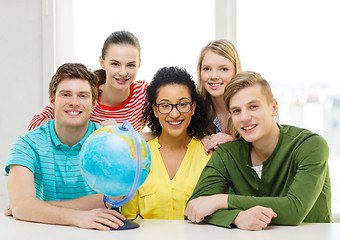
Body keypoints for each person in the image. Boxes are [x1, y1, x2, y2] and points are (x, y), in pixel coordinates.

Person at [185, 71, 332, 230]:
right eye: (236, 111)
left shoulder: (310, 145)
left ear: (274, 107)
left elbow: (294, 209)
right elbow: (194, 208)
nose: (244, 117)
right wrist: (236, 217)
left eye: (253, 106)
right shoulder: (227, 154)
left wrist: (221, 200)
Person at [5, 63, 126, 230]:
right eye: (66, 95)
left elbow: (115, 197)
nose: (74, 102)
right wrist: (78, 217)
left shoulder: (110, 142)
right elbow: (21, 207)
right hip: (41, 234)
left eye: (82, 96)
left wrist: (38, 207)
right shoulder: (26, 145)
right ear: (52, 101)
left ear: (94, 102)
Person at [121, 67, 210, 219]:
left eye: (182, 104)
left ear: (193, 107)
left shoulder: (208, 156)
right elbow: (129, 220)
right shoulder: (137, 157)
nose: (174, 114)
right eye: (165, 106)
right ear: (155, 110)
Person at [28, 30, 147, 132]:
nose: (123, 73)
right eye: (115, 64)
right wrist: (97, 130)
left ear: (139, 64)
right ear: (102, 63)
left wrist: (121, 133)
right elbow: (34, 125)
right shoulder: (84, 94)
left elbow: (161, 133)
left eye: (130, 65)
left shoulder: (143, 94)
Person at [197, 39, 242, 155]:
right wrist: (202, 140)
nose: (214, 76)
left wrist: (234, 141)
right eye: (207, 69)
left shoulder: (248, 106)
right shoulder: (196, 107)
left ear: (235, 71)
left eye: (223, 69)